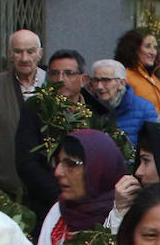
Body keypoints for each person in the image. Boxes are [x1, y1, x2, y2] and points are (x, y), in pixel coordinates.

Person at [13, 49, 112, 223]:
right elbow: (27, 163)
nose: (60, 79)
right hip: (48, 205)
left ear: (83, 79)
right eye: (54, 73)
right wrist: (63, 196)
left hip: (94, 207)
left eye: (68, 73)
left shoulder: (100, 113)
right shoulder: (35, 109)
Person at [34, 129, 126, 245]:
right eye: (58, 162)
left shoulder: (124, 216)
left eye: (71, 164)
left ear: (98, 168)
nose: (58, 172)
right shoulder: (59, 211)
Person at [0, 29, 45, 199]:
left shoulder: (53, 85)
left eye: (30, 51)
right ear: (9, 54)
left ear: (40, 54)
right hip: (5, 187)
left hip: (46, 187)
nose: (24, 58)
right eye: (18, 52)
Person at [87, 59, 159, 148]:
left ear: (121, 83)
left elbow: (152, 146)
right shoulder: (87, 109)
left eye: (106, 80)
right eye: (96, 80)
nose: (99, 86)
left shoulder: (144, 109)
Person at [115, 28, 160, 112]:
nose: (153, 52)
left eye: (155, 47)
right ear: (134, 49)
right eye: (147, 46)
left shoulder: (157, 78)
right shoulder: (124, 76)